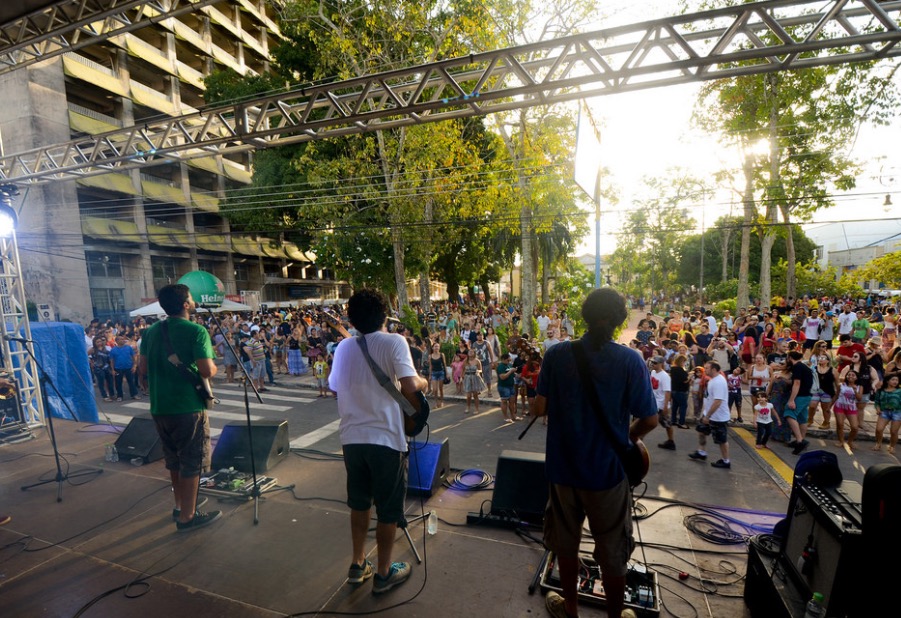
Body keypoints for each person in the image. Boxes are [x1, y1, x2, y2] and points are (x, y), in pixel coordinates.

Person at [533, 288, 657, 618]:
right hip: (607, 474)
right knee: (612, 550)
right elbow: (650, 419)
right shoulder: (630, 360)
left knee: (566, 544)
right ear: (619, 320)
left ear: (584, 316)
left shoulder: (557, 354)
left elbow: (539, 408)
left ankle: (570, 608)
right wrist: (628, 438)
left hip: (563, 471)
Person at [328, 288, 428, 595]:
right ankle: (384, 573)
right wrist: (423, 380)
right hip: (386, 440)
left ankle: (358, 564)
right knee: (388, 509)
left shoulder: (344, 347)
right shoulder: (394, 341)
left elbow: (334, 386)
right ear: (385, 315)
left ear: (352, 319)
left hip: (352, 440)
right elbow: (410, 384)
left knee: (359, 503)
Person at [137, 284, 220, 532]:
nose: (193, 301)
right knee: (192, 461)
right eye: (191, 298)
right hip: (187, 406)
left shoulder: (151, 331)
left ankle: (180, 505)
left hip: (160, 407)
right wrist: (214, 368)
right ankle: (187, 517)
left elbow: (142, 369)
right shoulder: (196, 331)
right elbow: (206, 370)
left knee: (174, 460)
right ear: (185, 304)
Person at [689, 361, 732, 468]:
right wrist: (705, 414)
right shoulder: (712, 380)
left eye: (707, 368)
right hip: (708, 414)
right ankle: (701, 452)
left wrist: (708, 416)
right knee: (701, 431)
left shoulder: (719, 382)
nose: (705, 370)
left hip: (718, 417)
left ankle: (726, 461)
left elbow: (718, 401)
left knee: (721, 440)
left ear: (714, 369)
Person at [651, 356, 676, 451]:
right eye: (652, 362)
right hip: (654, 402)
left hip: (660, 404)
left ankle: (671, 441)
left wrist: (665, 406)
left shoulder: (665, 376)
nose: (653, 364)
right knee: (666, 423)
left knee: (650, 422)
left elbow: (667, 392)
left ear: (661, 364)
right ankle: (671, 441)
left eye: (655, 363)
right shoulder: (653, 372)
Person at [873, 372, 901, 453]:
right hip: (884, 412)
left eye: (897, 380)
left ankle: (892, 446)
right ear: (887, 381)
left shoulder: (899, 391)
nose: (895, 382)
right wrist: (878, 409)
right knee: (879, 429)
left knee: (894, 431)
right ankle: (878, 443)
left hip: (897, 412)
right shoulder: (881, 391)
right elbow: (877, 402)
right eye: (893, 380)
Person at [834, 370, 862, 450]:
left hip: (851, 408)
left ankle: (850, 441)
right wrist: (829, 406)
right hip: (839, 406)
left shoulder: (859, 386)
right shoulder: (841, 385)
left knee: (855, 427)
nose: (850, 376)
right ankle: (841, 441)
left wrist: (855, 390)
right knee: (840, 424)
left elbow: (859, 398)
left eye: (853, 375)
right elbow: (836, 396)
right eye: (849, 374)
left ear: (856, 377)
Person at [109, 336, 140, 401]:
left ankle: (134, 394)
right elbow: (112, 360)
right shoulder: (113, 350)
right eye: (121, 339)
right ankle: (119, 396)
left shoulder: (129, 348)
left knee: (131, 382)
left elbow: (134, 356)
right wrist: (112, 369)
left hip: (129, 367)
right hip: (118, 368)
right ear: (117, 341)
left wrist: (134, 365)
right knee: (118, 383)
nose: (123, 340)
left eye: (123, 339)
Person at [496, 352, 519, 422]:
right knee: (504, 401)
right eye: (508, 360)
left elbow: (513, 374)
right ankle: (506, 417)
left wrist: (516, 373)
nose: (509, 362)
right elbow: (502, 377)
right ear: (503, 359)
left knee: (512, 401)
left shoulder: (509, 365)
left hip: (511, 386)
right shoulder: (500, 366)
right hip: (503, 386)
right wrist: (510, 371)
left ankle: (513, 416)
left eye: (510, 360)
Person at [428, 342, 447, 408]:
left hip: (441, 372)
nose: (436, 348)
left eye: (438, 346)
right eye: (435, 346)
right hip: (434, 373)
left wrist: (446, 373)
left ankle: (441, 401)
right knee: (435, 389)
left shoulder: (442, 355)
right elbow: (430, 366)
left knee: (441, 388)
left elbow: (444, 364)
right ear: (432, 348)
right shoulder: (430, 356)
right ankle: (436, 402)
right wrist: (430, 375)